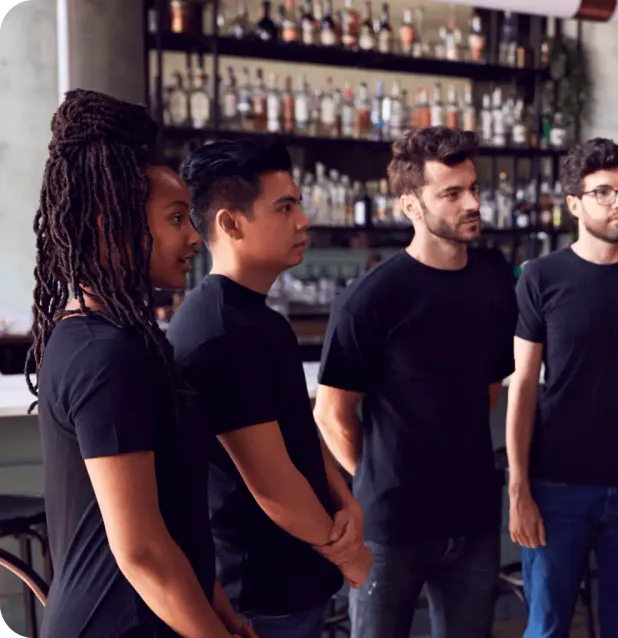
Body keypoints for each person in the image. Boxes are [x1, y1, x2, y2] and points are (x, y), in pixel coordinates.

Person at [27, 89, 251, 637]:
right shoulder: (104, 355)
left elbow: (172, 519)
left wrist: (220, 610)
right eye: (177, 218)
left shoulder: (117, 339)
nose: (194, 238)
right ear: (112, 222)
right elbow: (143, 552)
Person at [313, 126, 517, 637]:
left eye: (473, 188)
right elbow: (330, 413)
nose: (471, 202)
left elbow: (487, 386)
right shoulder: (371, 299)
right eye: (451, 193)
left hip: (472, 519)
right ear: (410, 204)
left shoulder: (493, 280)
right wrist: (382, 477)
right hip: (391, 527)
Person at [169, 140, 370, 637]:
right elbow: (271, 482)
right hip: (257, 589)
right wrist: (347, 553)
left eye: (298, 203)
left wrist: (346, 501)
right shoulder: (219, 331)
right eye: (285, 207)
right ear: (230, 223)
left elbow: (299, 433)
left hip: (298, 574)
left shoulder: (260, 319)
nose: (303, 220)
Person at [506, 138, 618, 638]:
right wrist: (518, 484)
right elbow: (523, 384)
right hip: (556, 485)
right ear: (574, 204)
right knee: (546, 626)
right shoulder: (541, 277)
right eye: (604, 192)